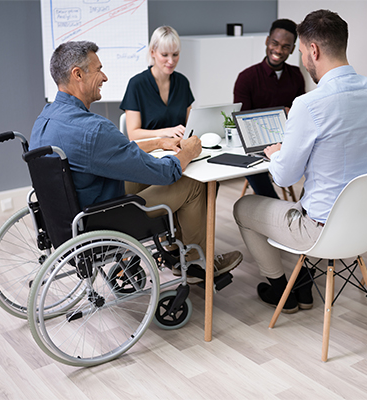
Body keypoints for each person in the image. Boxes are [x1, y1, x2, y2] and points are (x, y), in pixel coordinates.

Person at [30, 41, 242, 283]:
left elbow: (112, 152)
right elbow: (165, 173)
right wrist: (189, 152)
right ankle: (197, 263)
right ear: (77, 74)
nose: (105, 77)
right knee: (192, 183)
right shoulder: (93, 129)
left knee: (146, 174)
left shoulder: (45, 118)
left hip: (70, 219)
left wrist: (158, 142)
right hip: (103, 220)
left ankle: (175, 249)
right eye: (99, 69)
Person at [233, 9, 367, 313]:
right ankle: (299, 281)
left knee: (243, 207)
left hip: (322, 230)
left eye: (299, 52)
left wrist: (276, 152)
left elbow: (283, 178)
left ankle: (285, 290)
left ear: (313, 49)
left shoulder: (309, 105)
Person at [233, 18, 305, 199]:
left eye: (286, 46)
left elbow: (303, 115)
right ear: (267, 41)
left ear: (293, 49)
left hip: (288, 140)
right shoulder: (247, 77)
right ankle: (275, 206)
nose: (279, 51)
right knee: (252, 164)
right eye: (275, 43)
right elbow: (242, 122)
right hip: (255, 144)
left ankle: (308, 210)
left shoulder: (296, 75)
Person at [120, 26, 192, 140]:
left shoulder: (182, 82)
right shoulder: (137, 84)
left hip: (179, 149)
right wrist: (166, 132)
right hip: (150, 152)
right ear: (153, 52)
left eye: (175, 54)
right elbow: (133, 134)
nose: (171, 61)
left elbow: (191, 126)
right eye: (164, 55)